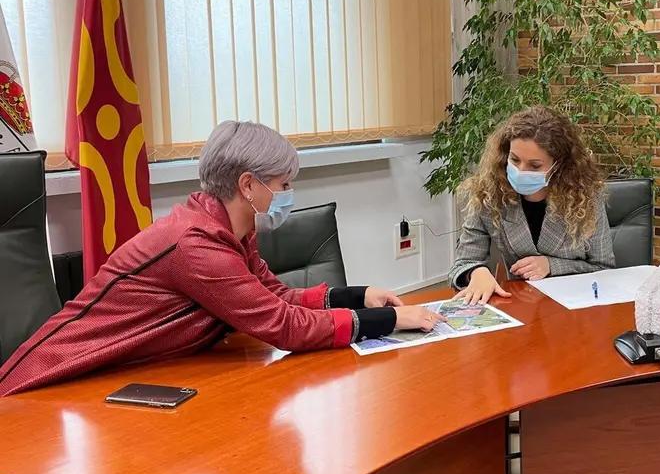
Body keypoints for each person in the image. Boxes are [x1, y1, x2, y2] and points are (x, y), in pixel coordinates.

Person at [0, 121, 440, 396]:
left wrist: (362, 296)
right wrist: (390, 322)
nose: (288, 195)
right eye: (283, 185)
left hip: (126, 376)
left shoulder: (230, 230)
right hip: (53, 384)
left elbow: (276, 295)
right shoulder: (196, 246)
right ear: (248, 185)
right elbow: (283, 326)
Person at [450, 106, 615, 305]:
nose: (520, 170)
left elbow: (604, 269)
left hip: (574, 309)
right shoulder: (489, 194)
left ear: (559, 164)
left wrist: (552, 265)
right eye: (515, 159)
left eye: (535, 165)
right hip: (520, 304)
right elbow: (463, 264)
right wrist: (476, 272)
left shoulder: (586, 197)